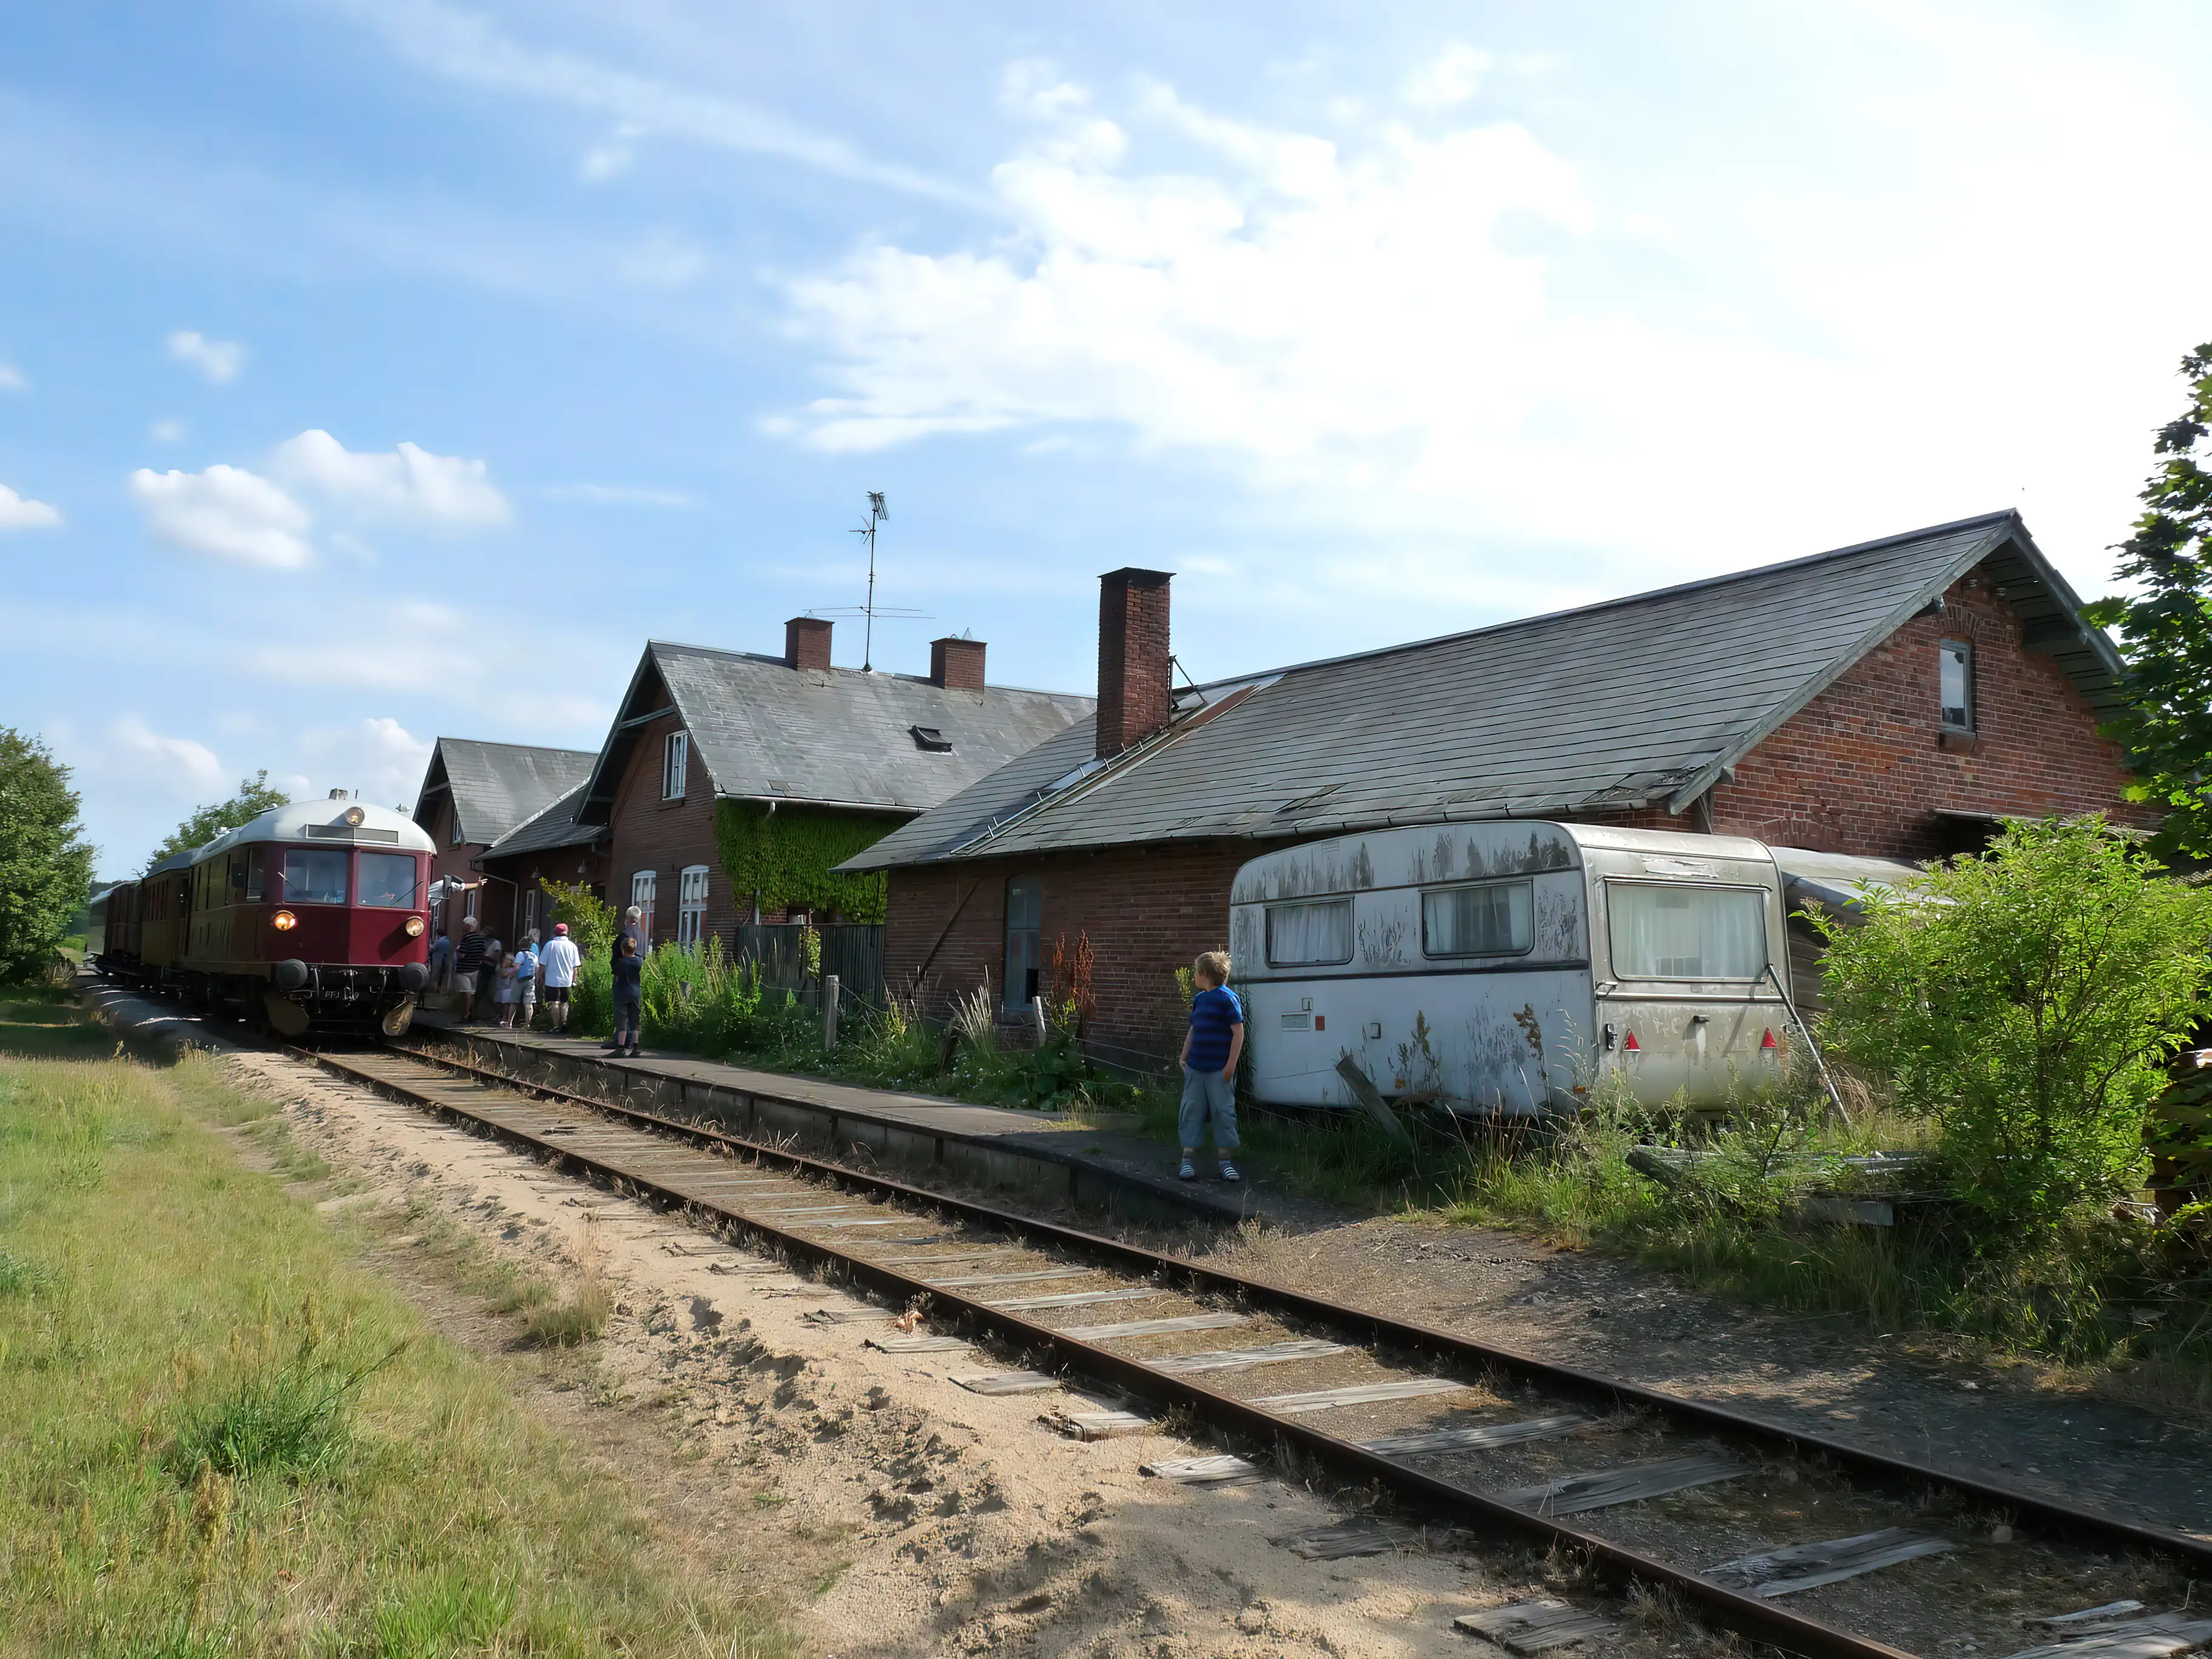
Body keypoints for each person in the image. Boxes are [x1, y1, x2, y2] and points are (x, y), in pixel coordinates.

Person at [1178, 950, 1245, 1183]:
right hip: (1196, 1067)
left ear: (1203, 974)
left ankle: (1225, 1162)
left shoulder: (1227, 999)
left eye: (1195, 973)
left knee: (1223, 1113)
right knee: (1191, 1111)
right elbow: (1194, 1030)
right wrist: (1183, 1057)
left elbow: (1238, 1033)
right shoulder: (1199, 1000)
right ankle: (1187, 1160)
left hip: (1219, 1069)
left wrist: (1230, 1066)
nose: (1193, 977)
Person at [605, 906, 646, 1050]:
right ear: (638, 918)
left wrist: (615, 969)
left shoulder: (625, 934)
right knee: (634, 1015)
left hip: (622, 976)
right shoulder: (641, 933)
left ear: (626, 918)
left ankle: (620, 1042)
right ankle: (633, 1042)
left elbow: (616, 951)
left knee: (621, 1013)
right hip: (635, 978)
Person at [538, 920, 581, 1033]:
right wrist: (574, 979)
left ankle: (556, 1026)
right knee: (565, 1002)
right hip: (566, 979)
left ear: (555, 933)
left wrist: (540, 976)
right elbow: (575, 966)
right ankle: (565, 1021)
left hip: (552, 979)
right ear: (567, 933)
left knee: (555, 1003)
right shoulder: (572, 946)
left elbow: (542, 964)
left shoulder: (550, 945)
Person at [611, 934, 643, 1059]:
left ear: (623, 950)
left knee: (622, 1021)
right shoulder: (639, 961)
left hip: (622, 993)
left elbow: (617, 976)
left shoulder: (621, 962)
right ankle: (635, 1047)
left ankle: (621, 1048)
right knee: (635, 1021)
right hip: (636, 992)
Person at [453, 916, 491, 1022]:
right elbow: (483, 953)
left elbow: (462, 955)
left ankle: (466, 1015)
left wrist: (458, 950)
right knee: (472, 993)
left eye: (464, 925)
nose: (463, 927)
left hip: (464, 969)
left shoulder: (466, 938)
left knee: (467, 993)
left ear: (468, 926)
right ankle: (472, 1015)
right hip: (475, 968)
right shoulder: (481, 938)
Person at [512, 931, 540, 1030]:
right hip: (531, 979)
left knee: (514, 1001)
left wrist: (512, 975)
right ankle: (528, 1024)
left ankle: (509, 1023)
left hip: (519, 979)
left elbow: (517, 968)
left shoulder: (520, 954)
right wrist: (537, 980)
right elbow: (537, 969)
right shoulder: (534, 956)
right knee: (529, 1002)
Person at [492, 950, 522, 1028]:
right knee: (497, 1002)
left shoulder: (512, 969)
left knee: (505, 1004)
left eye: (507, 959)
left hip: (507, 988)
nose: (505, 960)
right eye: (505, 959)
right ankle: (499, 1015)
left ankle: (505, 1017)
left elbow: (504, 975)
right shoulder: (501, 967)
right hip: (500, 987)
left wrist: (505, 967)